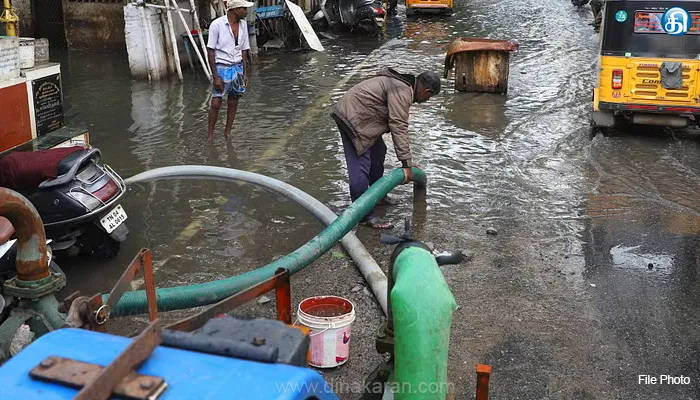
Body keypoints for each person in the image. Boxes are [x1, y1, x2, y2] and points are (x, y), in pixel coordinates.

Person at [330, 68, 441, 229]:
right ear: (426, 90)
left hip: (361, 116)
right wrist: (407, 162)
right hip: (352, 119)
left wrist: (407, 162)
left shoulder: (403, 86)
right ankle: (364, 215)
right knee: (361, 165)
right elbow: (398, 125)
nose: (427, 100)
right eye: (429, 96)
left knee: (378, 151)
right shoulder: (402, 90)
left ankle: (379, 196)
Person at [206, 0, 253, 141]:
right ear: (236, 10)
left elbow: (244, 50)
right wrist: (215, 76)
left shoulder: (244, 25)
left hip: (237, 67)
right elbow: (210, 51)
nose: (246, 11)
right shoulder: (217, 25)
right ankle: (210, 136)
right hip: (221, 67)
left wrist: (245, 73)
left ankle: (227, 133)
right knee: (216, 103)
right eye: (244, 9)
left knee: (234, 101)